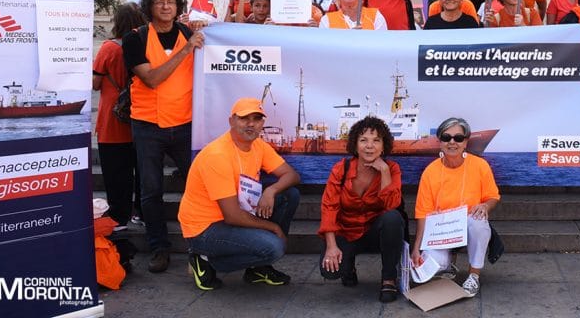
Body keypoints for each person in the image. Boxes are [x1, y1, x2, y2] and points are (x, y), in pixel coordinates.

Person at [123, 0, 205, 272]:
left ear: (178, 7)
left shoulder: (188, 33)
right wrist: (185, 51)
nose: (166, 6)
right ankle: (159, 247)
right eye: (160, 2)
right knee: (151, 190)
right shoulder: (135, 39)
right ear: (150, 7)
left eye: (171, 1)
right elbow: (153, 78)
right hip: (148, 125)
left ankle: (202, 243)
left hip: (184, 124)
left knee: (198, 184)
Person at [178, 98, 301, 290]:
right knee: (274, 247)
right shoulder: (217, 155)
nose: (251, 124)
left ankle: (257, 269)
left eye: (257, 118)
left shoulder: (258, 145)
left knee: (289, 195)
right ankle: (204, 259)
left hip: (237, 213)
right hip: (205, 229)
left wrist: (271, 190)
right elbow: (232, 215)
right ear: (231, 121)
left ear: (262, 123)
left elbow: (291, 175)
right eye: (244, 118)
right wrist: (273, 228)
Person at [319, 117, 404, 303]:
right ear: (355, 145)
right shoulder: (341, 168)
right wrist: (331, 247)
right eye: (363, 140)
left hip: (374, 233)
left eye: (376, 140)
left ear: (384, 146)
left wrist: (384, 172)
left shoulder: (392, 168)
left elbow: (391, 205)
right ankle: (348, 266)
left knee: (393, 218)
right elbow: (329, 207)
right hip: (346, 232)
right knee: (330, 272)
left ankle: (389, 278)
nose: (369, 146)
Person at [412, 118, 500, 298]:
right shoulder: (430, 171)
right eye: (446, 137)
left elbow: (493, 196)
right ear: (440, 141)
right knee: (429, 268)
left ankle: (474, 275)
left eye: (458, 138)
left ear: (466, 142)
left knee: (478, 221)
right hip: (441, 230)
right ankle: (448, 264)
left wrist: (485, 206)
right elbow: (422, 213)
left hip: (468, 224)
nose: (452, 142)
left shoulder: (480, 165)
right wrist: (416, 248)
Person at [93, 3, 146, 230]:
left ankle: (119, 217)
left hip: (112, 122)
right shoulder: (144, 47)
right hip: (140, 119)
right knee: (142, 173)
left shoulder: (109, 49)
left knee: (116, 174)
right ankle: (141, 213)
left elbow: (95, 84)